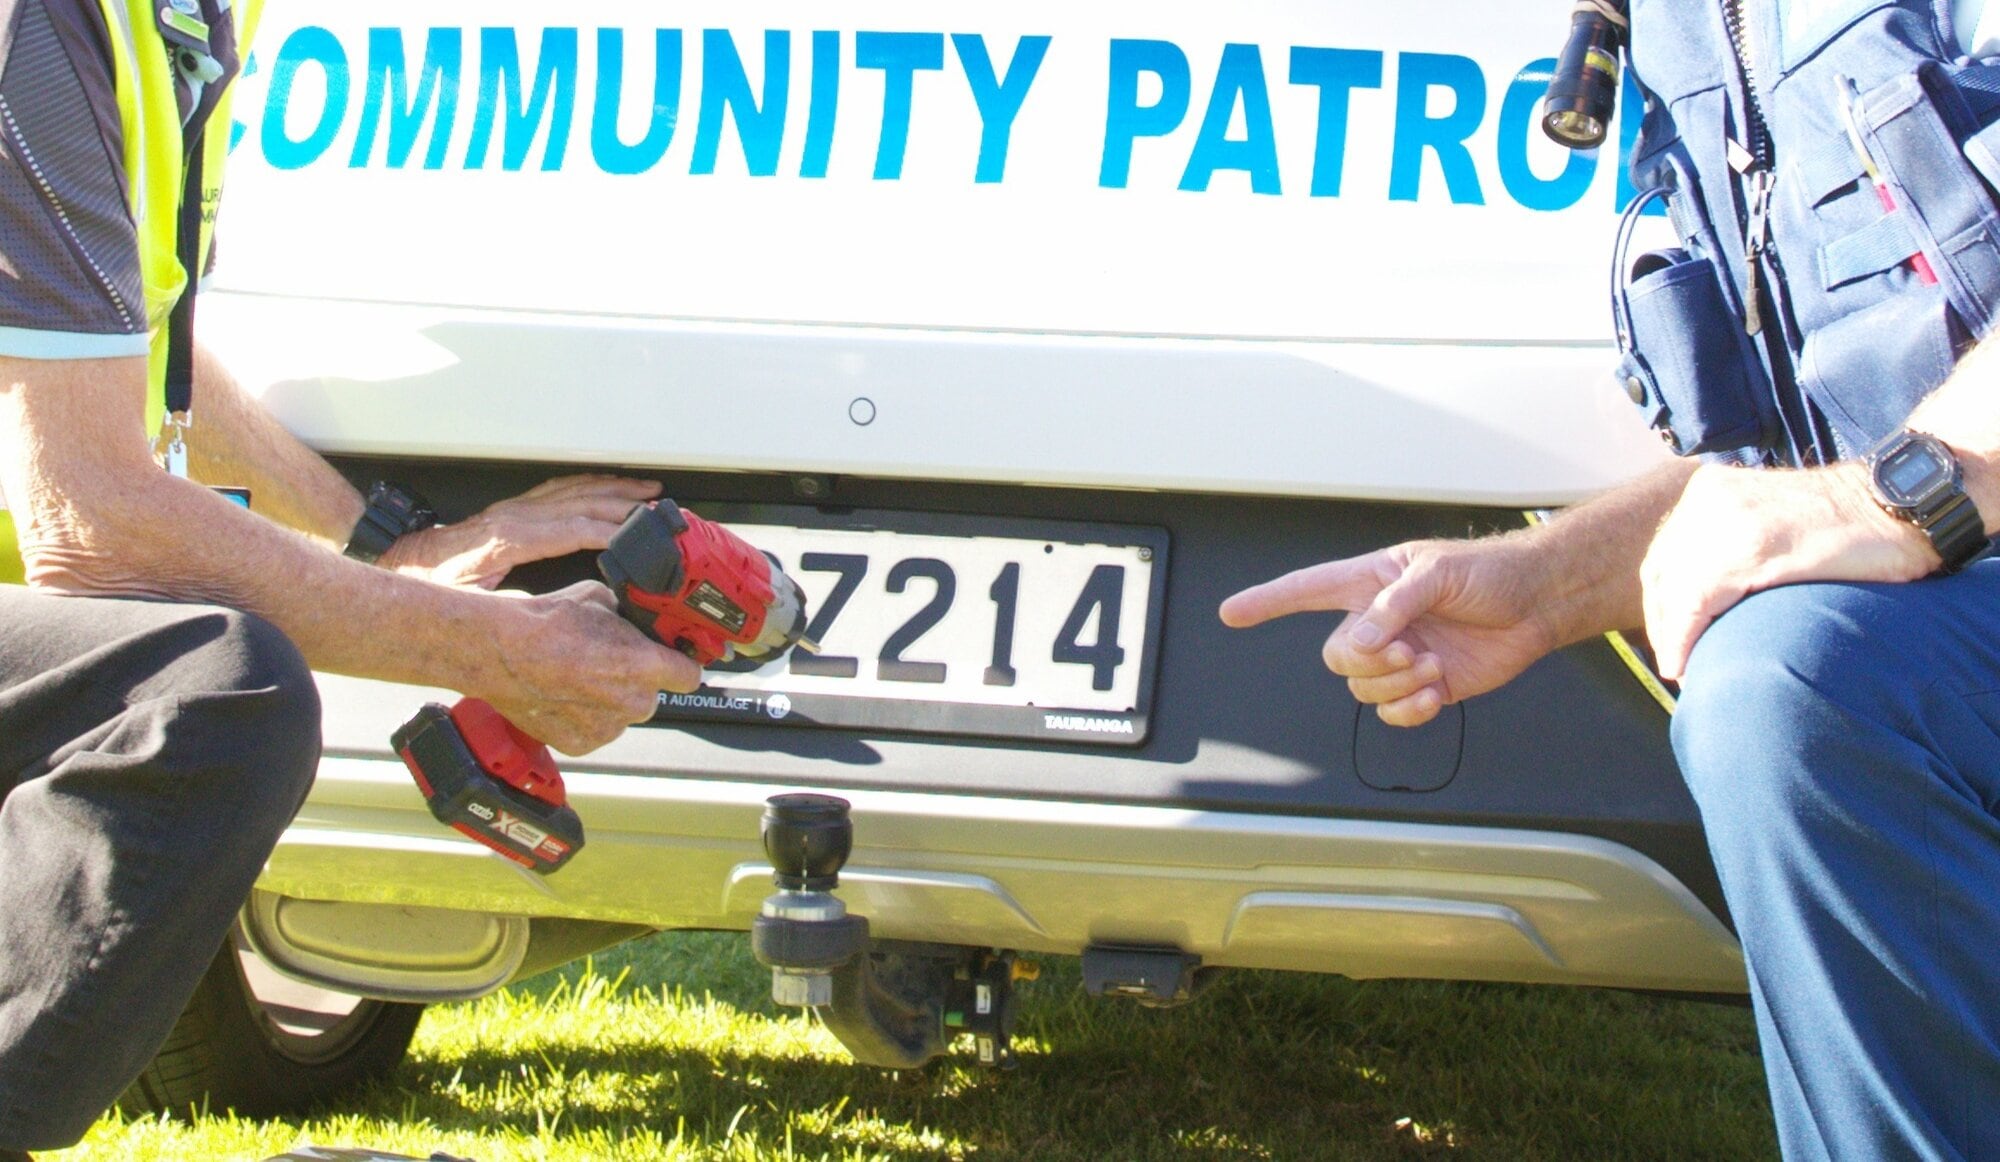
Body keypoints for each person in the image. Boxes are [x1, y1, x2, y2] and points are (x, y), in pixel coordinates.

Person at [1225, 2, 2000, 1158]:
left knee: (1789, 686)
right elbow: (1798, 472)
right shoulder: (1681, 32)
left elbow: (1860, 496)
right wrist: (1538, 584)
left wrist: (1899, 498)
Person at [0, 1, 700, 1155]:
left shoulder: (173, 19)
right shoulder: (45, 28)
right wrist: (499, 649)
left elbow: (139, 357)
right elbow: (97, 524)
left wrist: (384, 540)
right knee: (214, 693)